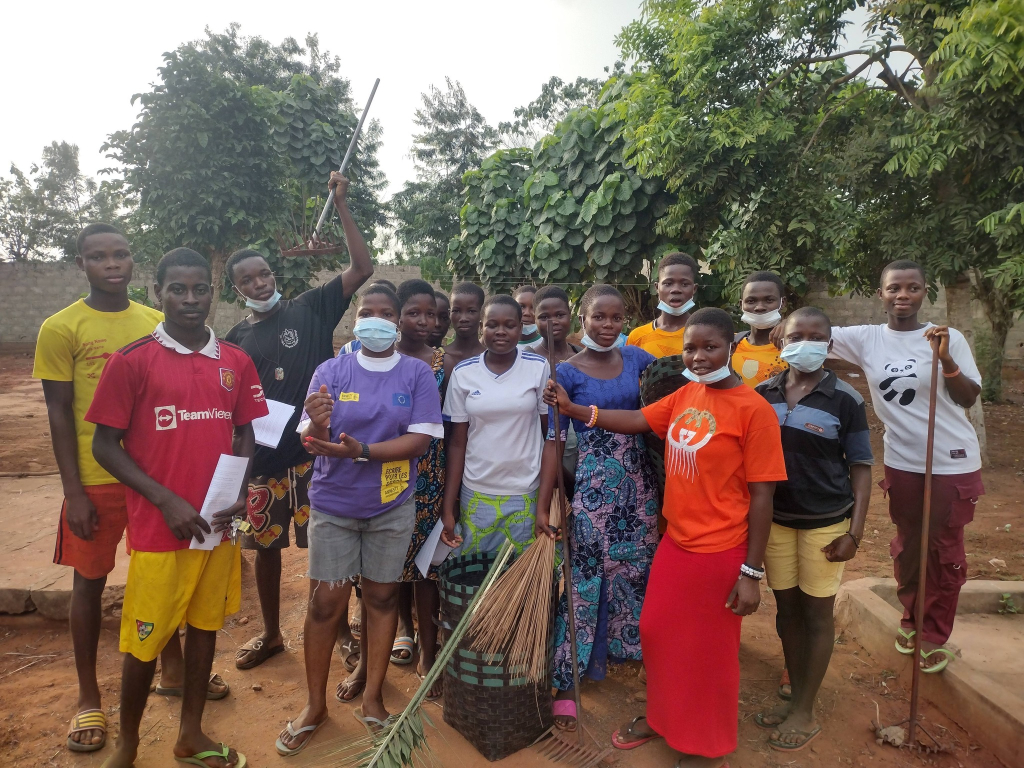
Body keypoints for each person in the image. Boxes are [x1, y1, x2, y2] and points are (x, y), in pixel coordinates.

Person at [544, 307, 786, 767]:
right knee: (657, 635)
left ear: (730, 347)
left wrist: (751, 572)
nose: (698, 356)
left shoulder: (754, 411)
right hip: (676, 543)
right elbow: (638, 421)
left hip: (720, 550)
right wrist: (575, 410)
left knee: (709, 653)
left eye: (710, 347)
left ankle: (707, 746)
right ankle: (663, 717)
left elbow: (763, 496)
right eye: (690, 348)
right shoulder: (686, 395)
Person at [87, 248, 267, 768]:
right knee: (145, 641)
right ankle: (127, 743)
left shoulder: (235, 361)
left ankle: (190, 734)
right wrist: (164, 499)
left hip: (215, 526)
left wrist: (241, 489)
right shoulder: (131, 361)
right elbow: (104, 446)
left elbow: (246, 431)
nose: (190, 299)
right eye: (178, 290)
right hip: (160, 529)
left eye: (200, 289)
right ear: (157, 292)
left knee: (206, 628)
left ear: (213, 293)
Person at [275, 284, 442, 755]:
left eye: (386, 313)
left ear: (397, 322)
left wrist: (363, 451)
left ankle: (372, 699)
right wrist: (318, 421)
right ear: (355, 319)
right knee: (325, 604)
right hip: (334, 506)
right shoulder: (331, 370)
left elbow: (420, 441)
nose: (376, 319)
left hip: (392, 506)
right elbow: (312, 440)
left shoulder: (416, 373)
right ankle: (314, 707)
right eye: (367, 311)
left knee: (382, 598)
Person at [225, 171, 374, 672]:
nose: (259, 283)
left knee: (328, 550)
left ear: (274, 274)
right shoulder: (235, 339)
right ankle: (271, 635)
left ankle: (341, 631)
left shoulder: (310, 309)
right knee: (264, 550)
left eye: (264, 274)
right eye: (248, 280)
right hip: (264, 463)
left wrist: (342, 203)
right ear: (237, 288)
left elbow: (362, 267)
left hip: (317, 457)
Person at [34, 223, 170, 754]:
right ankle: (88, 695)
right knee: (89, 584)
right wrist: (73, 492)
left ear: (133, 261)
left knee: (160, 577)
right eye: (98, 256)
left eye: (120, 254)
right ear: (81, 264)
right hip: (95, 480)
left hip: (154, 479)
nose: (111, 264)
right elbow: (58, 411)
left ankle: (174, 668)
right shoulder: (60, 328)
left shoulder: (155, 323)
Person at [828, 260, 984, 674]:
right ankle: (912, 620)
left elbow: (968, 397)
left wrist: (945, 360)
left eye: (912, 288)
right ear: (880, 294)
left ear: (924, 293)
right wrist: (768, 327)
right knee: (909, 546)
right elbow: (810, 333)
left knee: (943, 549)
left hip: (951, 461)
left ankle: (934, 634)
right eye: (894, 287)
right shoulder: (866, 338)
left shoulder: (948, 338)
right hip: (902, 461)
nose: (903, 295)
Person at [536, 285, 660, 730]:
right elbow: (554, 442)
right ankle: (568, 682)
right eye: (599, 317)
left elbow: (668, 406)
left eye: (616, 317)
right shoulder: (566, 374)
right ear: (582, 319)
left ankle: (634, 654)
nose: (608, 326)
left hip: (640, 487)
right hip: (592, 488)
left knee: (637, 571)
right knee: (583, 578)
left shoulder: (640, 361)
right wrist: (546, 504)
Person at [752, 307, 873, 752]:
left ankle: (805, 708)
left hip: (826, 523)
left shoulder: (845, 399)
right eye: (795, 336)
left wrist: (854, 533)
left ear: (829, 343)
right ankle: (795, 695)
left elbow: (861, 466)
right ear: (781, 343)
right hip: (777, 522)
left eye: (816, 336)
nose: (805, 343)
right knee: (787, 611)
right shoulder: (762, 394)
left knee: (817, 614)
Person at [440, 295, 549, 555]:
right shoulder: (464, 372)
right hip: (477, 491)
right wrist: (448, 506)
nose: (500, 331)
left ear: (520, 328)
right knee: (477, 572)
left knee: (519, 574)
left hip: (525, 491)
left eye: (509, 325)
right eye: (492, 325)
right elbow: (457, 443)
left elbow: (550, 436)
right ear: (482, 327)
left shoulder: (538, 367)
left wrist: (545, 502)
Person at [389, 280, 446, 700]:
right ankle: (401, 632)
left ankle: (429, 653)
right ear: (397, 316)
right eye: (414, 313)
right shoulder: (379, 360)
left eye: (431, 314)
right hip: (385, 472)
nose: (424, 321)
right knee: (389, 565)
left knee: (426, 568)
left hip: (431, 472)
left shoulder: (445, 362)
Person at [532, 286, 582, 491]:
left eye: (560, 315)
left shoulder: (581, 355)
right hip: (545, 450)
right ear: (534, 320)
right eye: (544, 317)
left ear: (570, 316)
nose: (553, 322)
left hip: (582, 448)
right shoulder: (529, 360)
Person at [627, 252, 700, 358]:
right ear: (657, 287)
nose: (676, 290)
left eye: (684, 284)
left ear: (694, 289)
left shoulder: (706, 334)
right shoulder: (637, 337)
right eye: (668, 283)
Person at [733, 271, 788, 387]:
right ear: (741, 305)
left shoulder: (794, 349)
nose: (759, 307)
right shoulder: (729, 346)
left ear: (782, 303)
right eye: (751, 301)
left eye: (769, 300)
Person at [338, 279, 398, 356]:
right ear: (355, 322)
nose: (376, 321)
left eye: (387, 314)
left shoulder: (406, 353)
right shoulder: (349, 350)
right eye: (366, 314)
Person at [442, 282, 486, 379]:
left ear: (482, 314)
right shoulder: (437, 359)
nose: (463, 318)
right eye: (456, 311)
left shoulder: (490, 358)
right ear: (449, 314)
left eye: (471, 311)